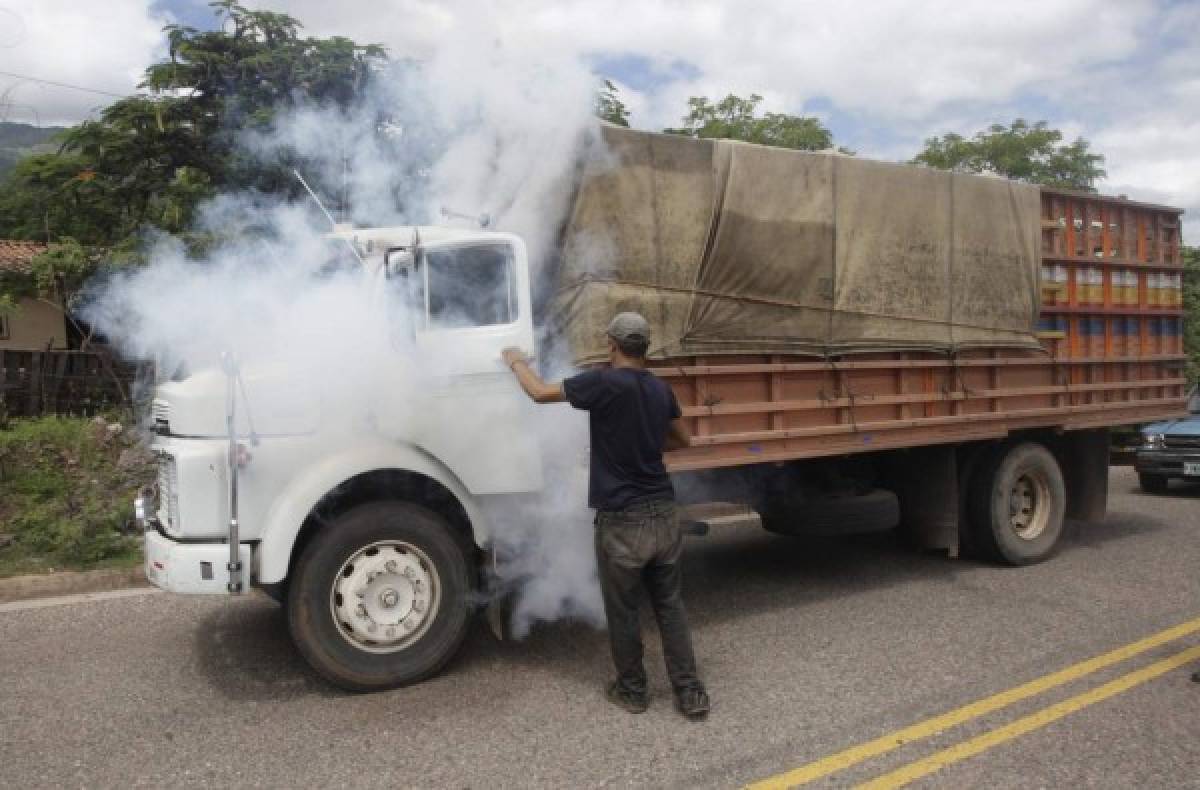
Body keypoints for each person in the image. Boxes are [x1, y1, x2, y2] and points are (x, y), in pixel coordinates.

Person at [501, 312, 711, 719]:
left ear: (613, 345)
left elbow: (540, 393)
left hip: (622, 520)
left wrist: (514, 360)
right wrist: (647, 441)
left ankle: (633, 691)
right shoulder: (659, 389)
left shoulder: (603, 383)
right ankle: (690, 692)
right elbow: (684, 439)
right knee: (670, 605)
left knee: (625, 609)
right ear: (644, 348)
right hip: (663, 513)